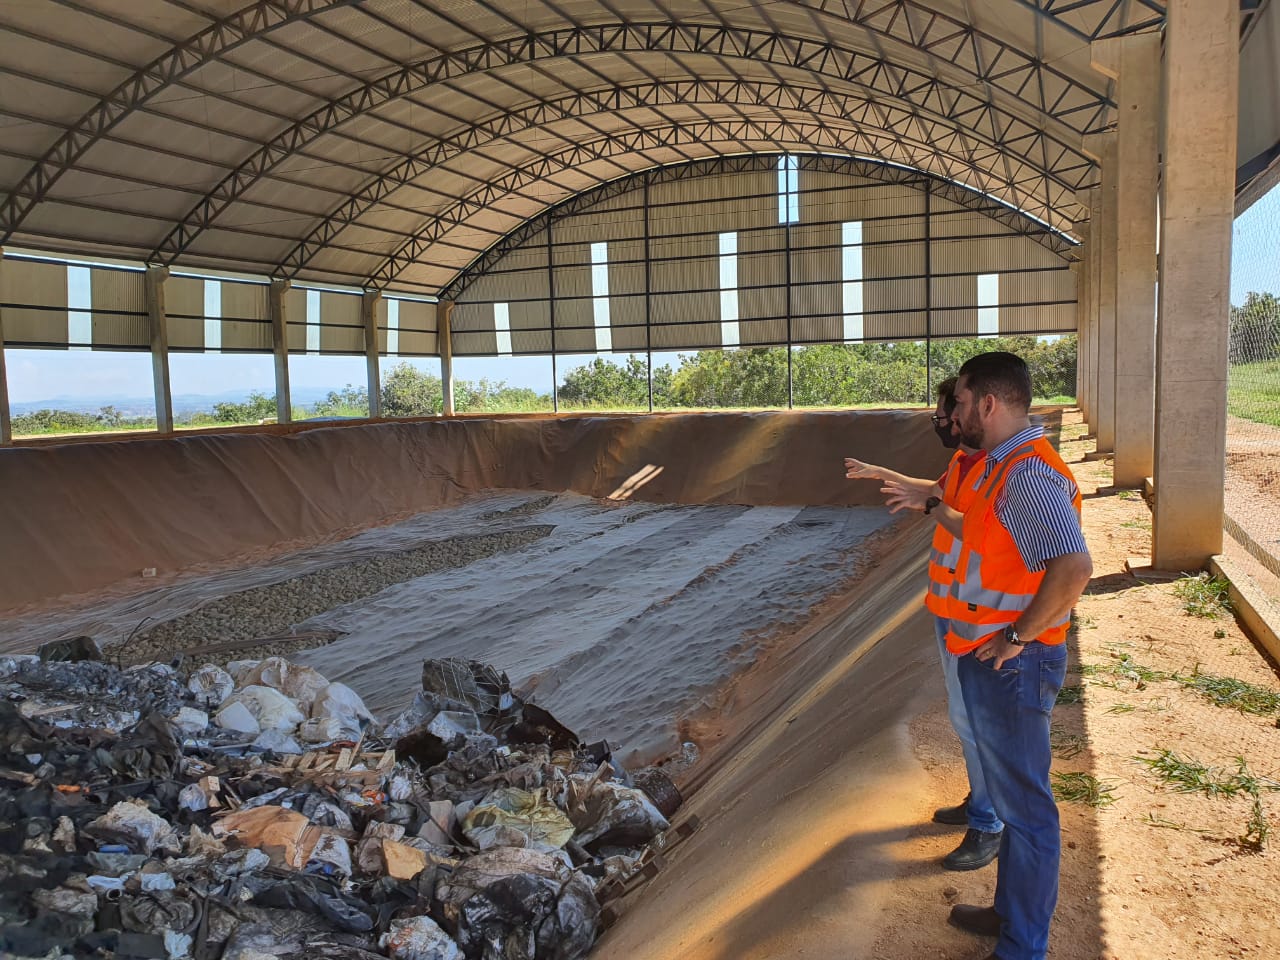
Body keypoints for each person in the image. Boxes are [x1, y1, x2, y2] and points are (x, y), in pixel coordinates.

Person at [880, 352, 1092, 960]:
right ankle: (1008, 914)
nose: (955, 414)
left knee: (1027, 810)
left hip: (1014, 665)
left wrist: (1019, 636)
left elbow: (1073, 569)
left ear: (990, 405)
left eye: (964, 403)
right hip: (991, 656)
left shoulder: (1027, 473)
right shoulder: (1000, 467)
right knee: (1013, 795)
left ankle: (1024, 946)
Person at [845, 377, 1003, 872]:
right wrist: (881, 473)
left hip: (979, 617)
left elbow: (964, 522)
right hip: (954, 612)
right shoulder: (966, 462)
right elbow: (932, 491)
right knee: (964, 719)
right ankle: (979, 802)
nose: (944, 421)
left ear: (974, 410)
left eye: (948, 411)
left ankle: (989, 824)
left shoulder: (1000, 470)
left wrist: (933, 506)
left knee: (978, 724)